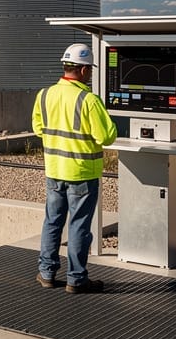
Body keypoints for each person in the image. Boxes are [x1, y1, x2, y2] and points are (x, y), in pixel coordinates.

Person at [33, 42, 118, 294]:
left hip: (54, 171)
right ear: (83, 70)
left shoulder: (44, 95)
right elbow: (107, 136)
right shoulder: (88, 100)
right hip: (82, 173)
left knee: (52, 222)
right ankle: (76, 279)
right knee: (79, 226)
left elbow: (38, 129)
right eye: (89, 69)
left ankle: (46, 273)